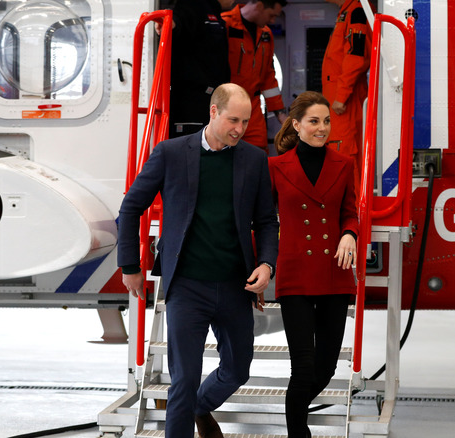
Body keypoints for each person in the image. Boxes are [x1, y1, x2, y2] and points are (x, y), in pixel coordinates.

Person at [118, 83, 279, 438]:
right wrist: (131, 266)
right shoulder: (171, 153)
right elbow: (130, 208)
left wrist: (267, 264)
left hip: (236, 285)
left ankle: (199, 408)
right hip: (187, 287)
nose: (239, 128)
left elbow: (267, 221)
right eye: (233, 119)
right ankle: (187, 410)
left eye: (246, 120)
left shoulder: (253, 159)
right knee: (184, 380)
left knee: (238, 371)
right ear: (213, 112)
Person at [269, 91, 359, 438]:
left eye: (326, 121)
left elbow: (349, 210)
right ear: (296, 125)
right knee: (303, 367)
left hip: (334, 273)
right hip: (295, 275)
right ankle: (298, 434)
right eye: (313, 121)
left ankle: (295, 420)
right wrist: (262, 268)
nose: (321, 128)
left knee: (325, 367)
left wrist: (349, 233)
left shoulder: (344, 163)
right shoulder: (275, 167)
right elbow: (263, 221)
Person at [222, 0, 289, 152]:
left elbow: (268, 78)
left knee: (258, 156)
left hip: (253, 109)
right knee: (224, 156)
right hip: (226, 106)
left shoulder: (266, 34)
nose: (272, 20)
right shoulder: (225, 24)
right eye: (271, 15)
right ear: (259, 6)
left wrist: (280, 115)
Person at [164, 0, 236, 138]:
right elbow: (180, 21)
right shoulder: (194, 5)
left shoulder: (215, 14)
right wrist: (170, 24)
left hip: (210, 103)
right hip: (191, 106)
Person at [321, 0, 372, 188]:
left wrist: (341, 96)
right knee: (340, 152)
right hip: (338, 99)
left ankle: (353, 213)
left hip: (345, 102)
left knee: (345, 154)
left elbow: (356, 57)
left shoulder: (356, 12)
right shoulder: (348, 12)